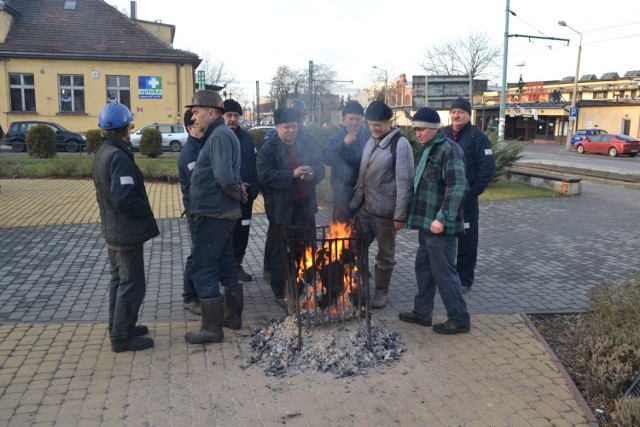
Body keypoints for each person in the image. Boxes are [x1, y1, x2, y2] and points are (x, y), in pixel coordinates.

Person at [93, 102, 159, 353]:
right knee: (131, 284)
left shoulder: (103, 151)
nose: (131, 131)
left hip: (114, 230)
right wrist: (144, 210)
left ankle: (121, 326)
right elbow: (123, 198)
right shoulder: (118, 157)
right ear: (125, 128)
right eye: (129, 126)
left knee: (118, 281)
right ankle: (121, 337)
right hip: (125, 234)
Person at [398, 107, 471, 334]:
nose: (417, 134)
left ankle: (459, 319)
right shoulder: (428, 149)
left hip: (440, 227)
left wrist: (443, 218)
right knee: (424, 269)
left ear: (434, 129)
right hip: (426, 225)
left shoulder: (449, 150)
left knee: (444, 272)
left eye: (421, 129)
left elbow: (458, 186)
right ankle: (422, 313)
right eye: (415, 129)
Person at [184, 90, 248, 344]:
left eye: (197, 112)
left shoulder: (219, 136)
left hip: (214, 214)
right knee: (225, 265)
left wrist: (235, 192)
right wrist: (236, 190)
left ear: (212, 113)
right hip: (220, 213)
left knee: (203, 268)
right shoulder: (220, 134)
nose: (193, 116)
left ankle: (212, 329)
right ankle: (232, 317)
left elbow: (223, 176)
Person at [256, 107, 325, 308]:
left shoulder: (307, 143)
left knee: (307, 249)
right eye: (286, 127)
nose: (291, 131)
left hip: (305, 207)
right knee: (281, 253)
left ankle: (305, 287)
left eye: (294, 127)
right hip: (281, 210)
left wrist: (313, 175)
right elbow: (265, 176)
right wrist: (292, 174)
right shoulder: (269, 148)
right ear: (278, 127)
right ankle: (280, 291)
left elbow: (320, 168)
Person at [349, 101, 414, 308]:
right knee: (356, 248)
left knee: (385, 254)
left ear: (388, 122)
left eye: (378, 124)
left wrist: (400, 215)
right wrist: (355, 204)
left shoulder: (400, 144)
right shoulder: (370, 140)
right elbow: (363, 174)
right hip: (365, 209)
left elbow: (405, 182)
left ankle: (381, 292)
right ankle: (361, 287)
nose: (374, 128)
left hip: (386, 213)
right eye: (371, 124)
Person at [443, 97, 496, 294]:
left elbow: (487, 168)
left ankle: (465, 279)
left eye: (461, 112)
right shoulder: (443, 134)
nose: (456, 115)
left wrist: (473, 192)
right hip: (444, 199)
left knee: (467, 239)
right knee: (443, 238)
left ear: (468, 114)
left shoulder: (478, 137)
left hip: (466, 201)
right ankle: (445, 276)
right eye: (453, 112)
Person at [223, 99, 260, 282]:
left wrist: (254, 189)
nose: (232, 119)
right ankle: (226, 270)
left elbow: (254, 164)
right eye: (229, 115)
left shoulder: (246, 137)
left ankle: (237, 265)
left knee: (243, 232)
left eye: (236, 116)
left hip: (247, 198)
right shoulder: (218, 137)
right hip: (227, 198)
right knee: (227, 234)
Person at [322, 100, 370, 222]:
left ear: (362, 120)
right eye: (351, 119)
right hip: (341, 192)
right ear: (344, 120)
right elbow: (326, 159)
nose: (354, 123)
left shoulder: (368, 137)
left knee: (360, 232)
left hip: (363, 192)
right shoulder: (336, 138)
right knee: (341, 229)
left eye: (357, 119)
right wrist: (343, 144)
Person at [177, 109, 205, 315]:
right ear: (190, 128)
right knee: (197, 253)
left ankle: (201, 291)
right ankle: (189, 296)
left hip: (204, 210)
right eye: (198, 126)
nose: (203, 129)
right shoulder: (190, 153)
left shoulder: (201, 147)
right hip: (197, 212)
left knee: (202, 252)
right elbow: (200, 181)